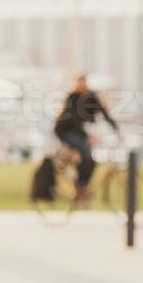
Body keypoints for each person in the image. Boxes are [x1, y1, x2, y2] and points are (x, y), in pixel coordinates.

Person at [54, 72, 119, 201]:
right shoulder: (71, 98)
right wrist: (87, 136)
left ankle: (81, 187)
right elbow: (73, 121)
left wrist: (115, 128)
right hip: (65, 131)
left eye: (83, 81)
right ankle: (79, 186)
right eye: (79, 81)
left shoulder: (90, 96)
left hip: (78, 132)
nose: (81, 84)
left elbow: (102, 111)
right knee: (86, 156)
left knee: (90, 161)